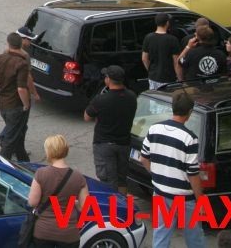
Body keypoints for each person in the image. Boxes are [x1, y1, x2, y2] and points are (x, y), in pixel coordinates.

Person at [141, 91, 205, 248]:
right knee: (194, 238)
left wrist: (157, 175)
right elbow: (193, 174)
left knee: (161, 236)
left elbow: (144, 158)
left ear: (173, 107)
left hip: (160, 192)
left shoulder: (154, 129)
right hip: (185, 198)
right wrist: (201, 200)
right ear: (189, 112)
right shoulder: (190, 138)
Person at [27, 134, 88, 248]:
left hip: (44, 232)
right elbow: (85, 208)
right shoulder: (78, 177)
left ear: (49, 152)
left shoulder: (41, 173)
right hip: (69, 234)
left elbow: (32, 202)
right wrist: (74, 203)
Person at [84, 65, 137, 194]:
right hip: (124, 144)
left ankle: (111, 205)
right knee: (122, 180)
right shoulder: (132, 97)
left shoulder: (101, 99)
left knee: (107, 181)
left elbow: (87, 116)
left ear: (108, 79)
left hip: (104, 145)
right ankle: (122, 203)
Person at [0, 32, 31, 161]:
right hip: (15, 105)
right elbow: (21, 88)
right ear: (21, 45)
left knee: (18, 133)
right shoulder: (22, 63)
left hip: (3, 103)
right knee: (10, 140)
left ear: (8, 43)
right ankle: (3, 164)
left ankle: (24, 161)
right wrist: (26, 104)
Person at [142, 13, 181, 90]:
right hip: (169, 78)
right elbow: (176, 62)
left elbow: (144, 58)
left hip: (153, 77)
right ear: (167, 23)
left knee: (154, 97)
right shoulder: (173, 39)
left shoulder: (148, 37)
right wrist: (180, 78)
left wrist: (150, 71)